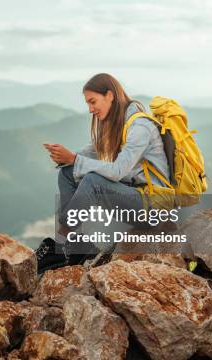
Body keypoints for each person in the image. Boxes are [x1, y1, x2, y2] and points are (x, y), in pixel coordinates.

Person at [36, 73, 171, 273]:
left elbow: (117, 171)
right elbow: (90, 153)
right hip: (135, 195)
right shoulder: (119, 124)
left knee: (93, 181)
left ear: (109, 95)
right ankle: (77, 244)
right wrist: (66, 158)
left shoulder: (139, 127)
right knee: (67, 173)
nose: (90, 109)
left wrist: (74, 158)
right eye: (88, 104)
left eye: (93, 101)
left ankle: (61, 243)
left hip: (152, 207)